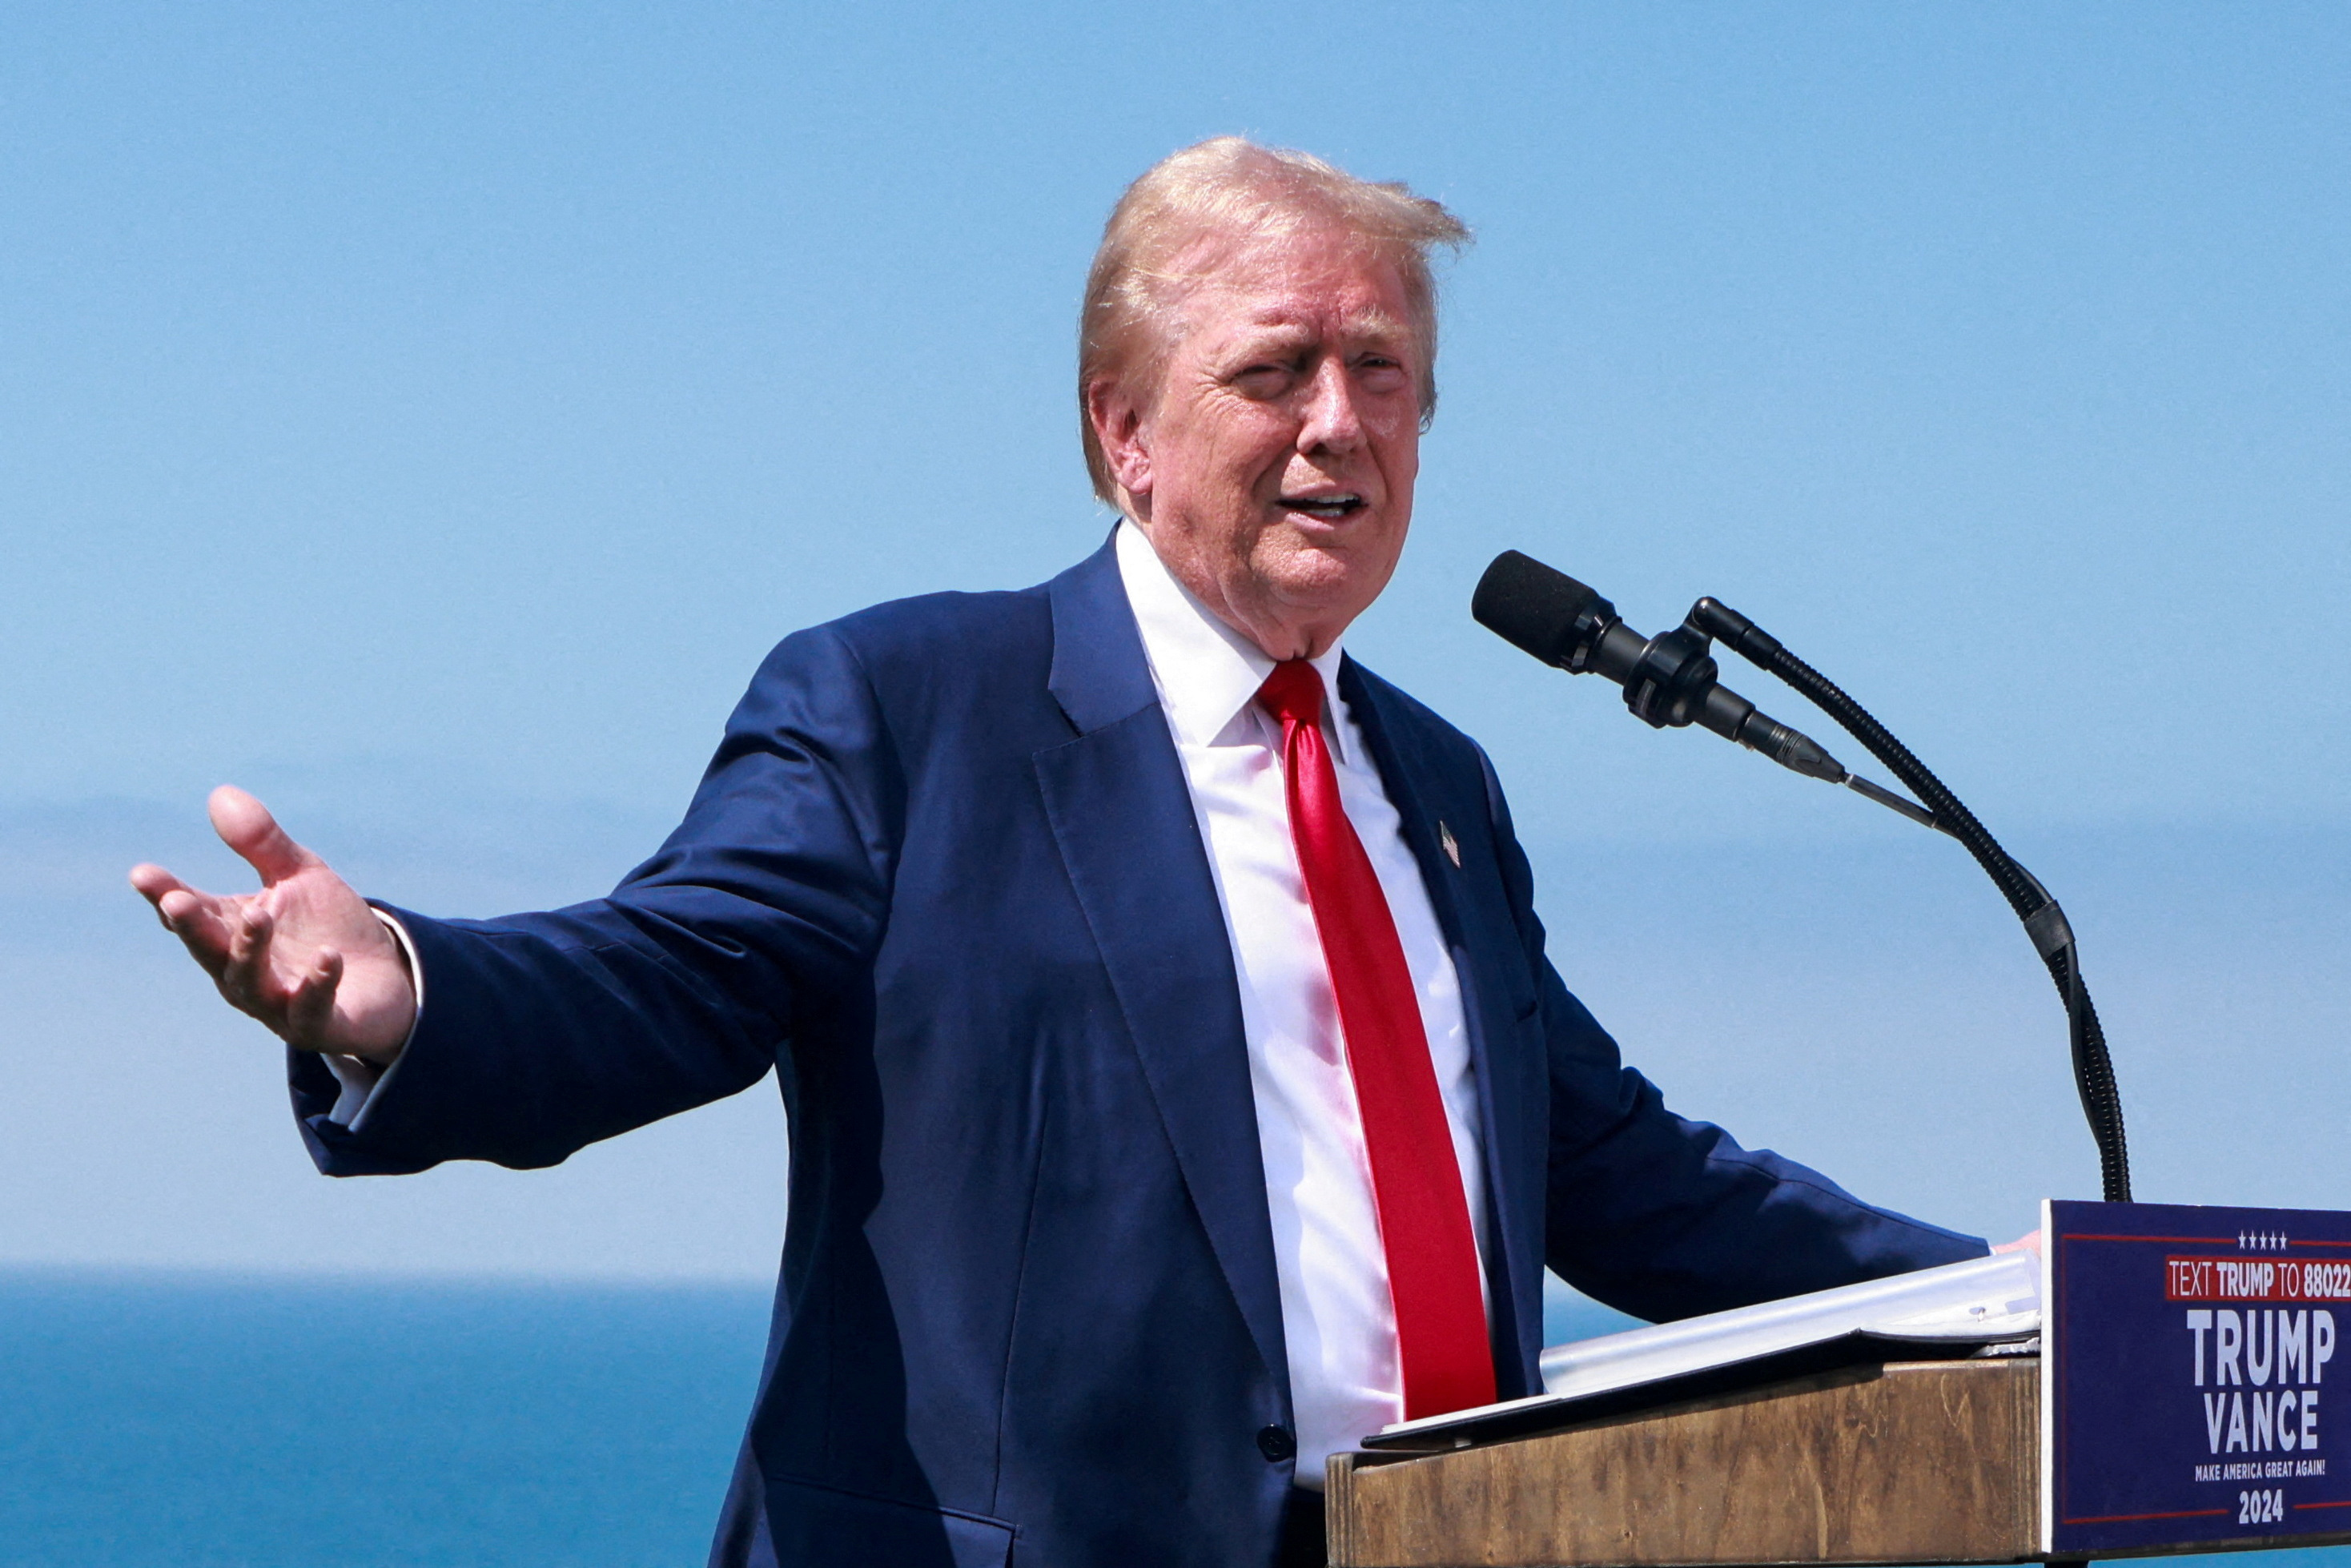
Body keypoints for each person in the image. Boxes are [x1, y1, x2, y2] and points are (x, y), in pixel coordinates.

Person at [131, 139, 1991, 1568]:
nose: (1341, 421)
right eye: (1278, 370)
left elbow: (1611, 1168)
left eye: (1385, 371)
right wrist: (401, 985)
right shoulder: (907, 710)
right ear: (1125, 431)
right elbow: (662, 975)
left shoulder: (1438, 780)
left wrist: (2010, 1302)